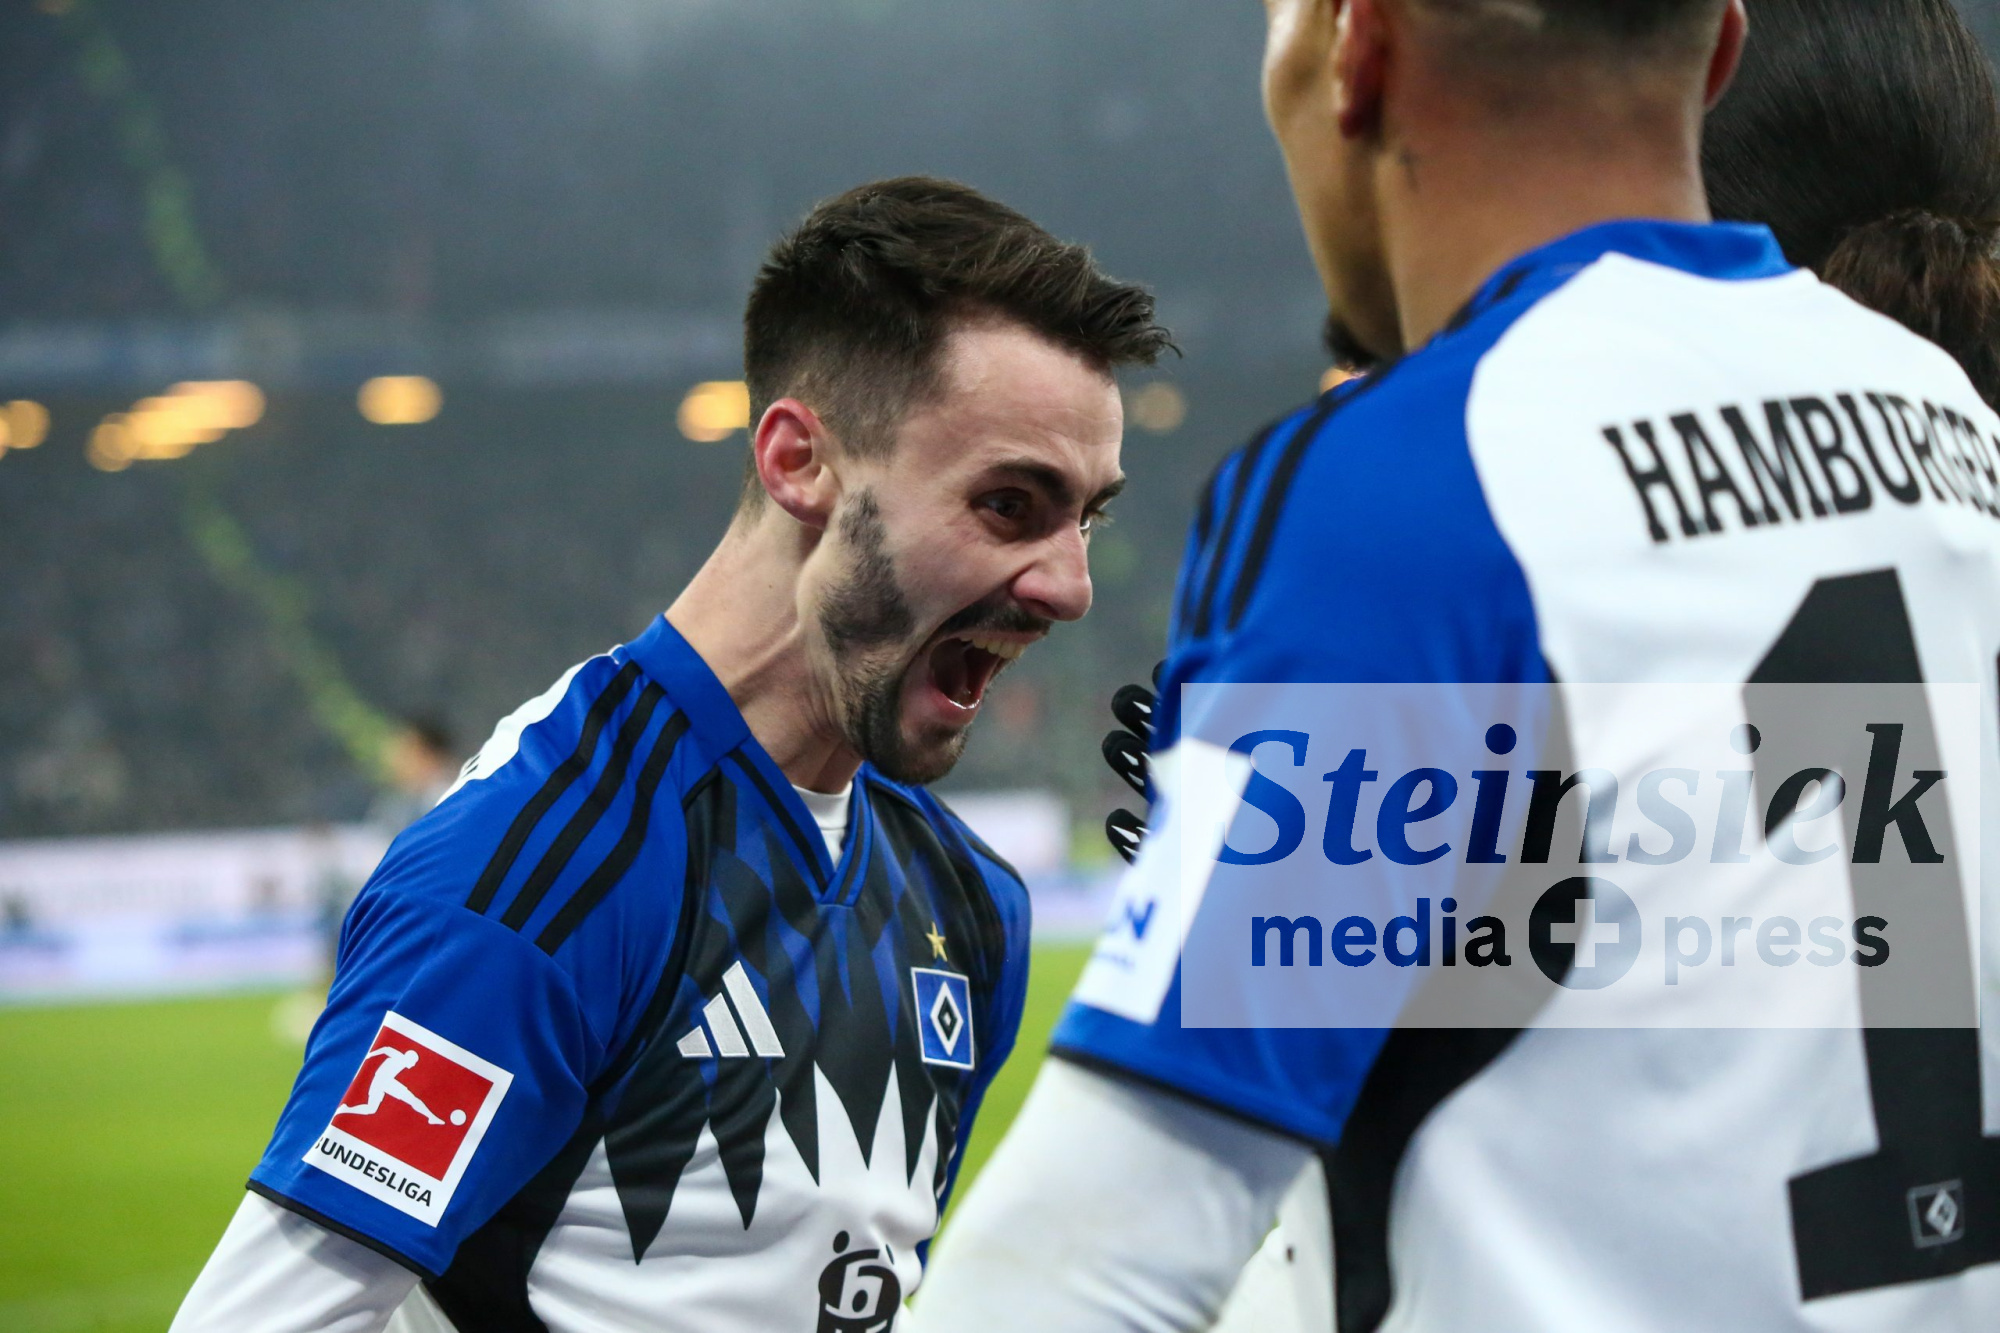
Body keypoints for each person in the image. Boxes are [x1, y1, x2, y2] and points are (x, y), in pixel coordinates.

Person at [916, 3, 2000, 1331]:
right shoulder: (1953, 419)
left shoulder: (1423, 475)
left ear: (1355, 53)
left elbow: (1092, 1262)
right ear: (1718, 50)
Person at [170, 175, 1171, 1333]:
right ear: (799, 462)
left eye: (1088, 515)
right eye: (1008, 504)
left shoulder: (968, 902)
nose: (1070, 586)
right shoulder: (541, 871)